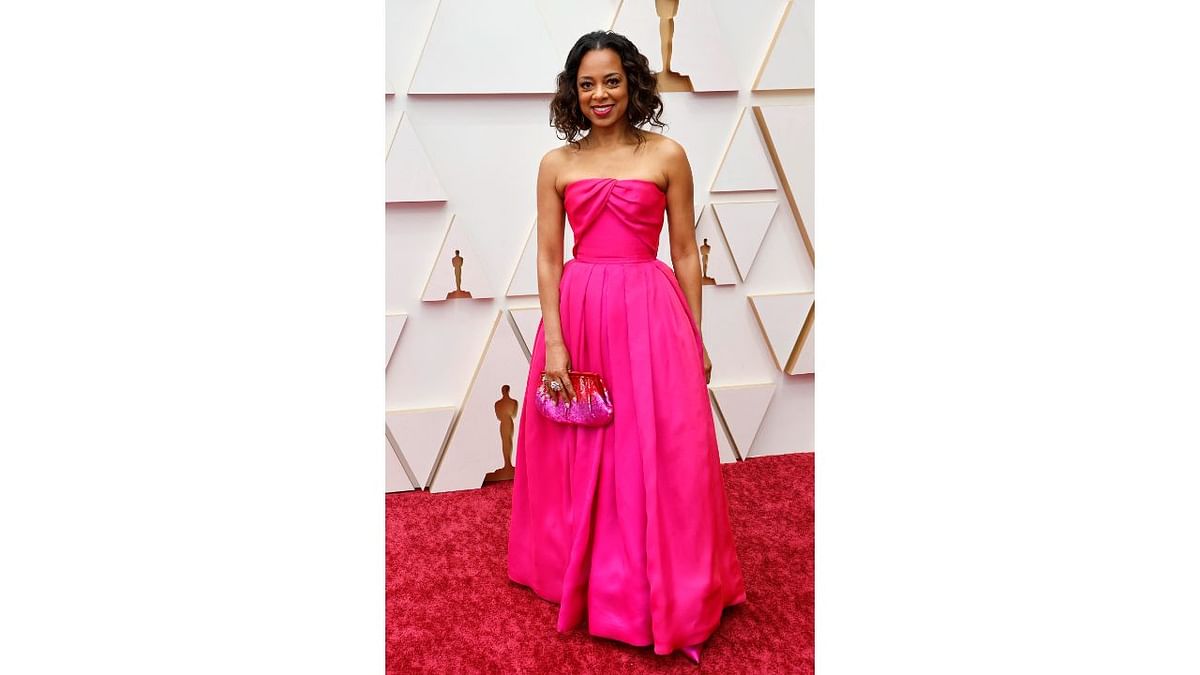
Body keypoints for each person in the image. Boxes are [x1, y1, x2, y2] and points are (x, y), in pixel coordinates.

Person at [507, 31, 746, 665]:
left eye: (611, 80)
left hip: (650, 312)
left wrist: (695, 337)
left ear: (632, 82)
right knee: (581, 445)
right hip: (581, 312)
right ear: (572, 92)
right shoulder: (556, 164)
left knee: (660, 447)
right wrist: (555, 343)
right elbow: (550, 258)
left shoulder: (668, 154)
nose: (599, 94)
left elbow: (688, 251)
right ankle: (583, 575)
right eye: (586, 84)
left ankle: (663, 582)